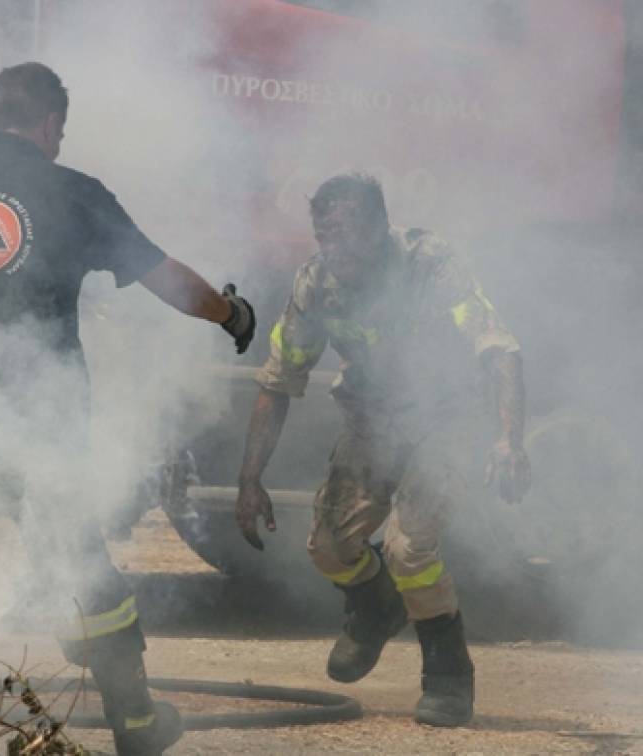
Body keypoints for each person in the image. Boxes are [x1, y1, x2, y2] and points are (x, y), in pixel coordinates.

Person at [0, 62, 255, 755]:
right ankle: (135, 724)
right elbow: (168, 281)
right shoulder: (71, 193)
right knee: (79, 562)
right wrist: (231, 313)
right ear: (47, 125)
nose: (59, 145)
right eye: (58, 133)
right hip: (44, 422)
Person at [234, 173, 530, 727]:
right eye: (324, 237)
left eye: (344, 235)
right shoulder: (316, 282)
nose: (333, 251)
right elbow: (277, 381)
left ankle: (448, 673)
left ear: (378, 226)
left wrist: (508, 438)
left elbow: (500, 349)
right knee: (327, 548)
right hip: (373, 424)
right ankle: (376, 605)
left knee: (408, 549)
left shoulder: (430, 263)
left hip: (447, 420)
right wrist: (251, 481)